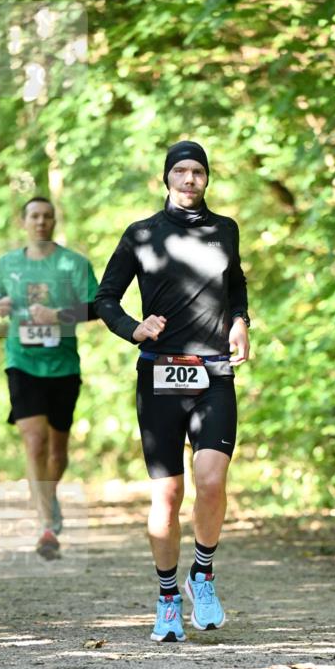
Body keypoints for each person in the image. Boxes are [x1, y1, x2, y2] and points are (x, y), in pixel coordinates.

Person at [95, 140, 251, 642]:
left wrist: (241, 322)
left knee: (211, 483)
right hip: (159, 375)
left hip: (214, 373)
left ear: (207, 179)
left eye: (197, 172)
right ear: (167, 177)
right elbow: (105, 299)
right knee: (167, 494)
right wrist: (133, 328)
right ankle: (166, 600)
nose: (189, 179)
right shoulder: (142, 234)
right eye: (180, 171)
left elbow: (237, 285)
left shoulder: (224, 229)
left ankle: (201, 575)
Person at [0, 196, 98, 559]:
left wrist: (59, 314)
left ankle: (48, 496)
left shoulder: (73, 263)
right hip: (21, 362)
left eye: (47, 216)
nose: (41, 222)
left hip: (63, 366)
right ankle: (45, 525)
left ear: (54, 221)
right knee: (34, 442)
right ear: (23, 222)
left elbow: (97, 307)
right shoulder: (7, 264)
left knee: (57, 448)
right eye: (34, 216)